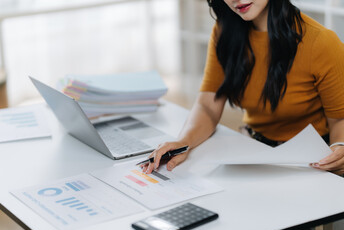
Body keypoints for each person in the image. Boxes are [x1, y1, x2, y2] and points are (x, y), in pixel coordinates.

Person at [142, 0, 344, 176]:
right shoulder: (224, 32)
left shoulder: (321, 42)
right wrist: (183, 142)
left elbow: (339, 119)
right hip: (254, 151)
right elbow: (208, 105)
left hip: (309, 160)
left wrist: (339, 148)